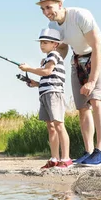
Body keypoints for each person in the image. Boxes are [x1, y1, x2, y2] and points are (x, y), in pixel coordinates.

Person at [35, 0, 101, 166]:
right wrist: (52, 65)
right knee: (82, 107)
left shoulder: (80, 15)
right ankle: (89, 151)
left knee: (96, 99)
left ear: (60, 4)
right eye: (43, 9)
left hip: (96, 54)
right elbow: (63, 48)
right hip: (77, 58)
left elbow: (97, 46)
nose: (46, 13)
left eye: (49, 7)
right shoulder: (53, 27)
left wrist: (91, 80)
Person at [19, 28, 72, 169]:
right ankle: (54, 158)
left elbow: (47, 71)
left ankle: (66, 159)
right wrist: (36, 83)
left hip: (54, 94)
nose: (42, 45)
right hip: (45, 94)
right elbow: (48, 77)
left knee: (59, 125)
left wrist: (28, 69)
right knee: (51, 127)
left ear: (54, 44)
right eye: (41, 42)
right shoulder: (46, 59)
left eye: (45, 42)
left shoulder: (54, 55)